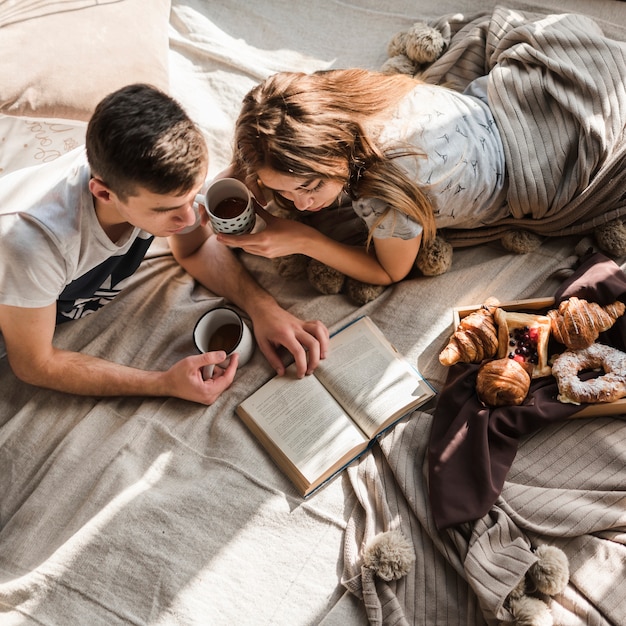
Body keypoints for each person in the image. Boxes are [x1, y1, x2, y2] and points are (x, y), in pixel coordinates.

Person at [0, 83, 329, 406]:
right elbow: (35, 364)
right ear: (103, 193)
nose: (188, 220)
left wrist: (263, 309)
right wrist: (162, 383)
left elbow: (195, 249)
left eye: (192, 197)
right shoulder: (34, 244)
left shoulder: (153, 175)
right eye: (167, 210)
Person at [217, 68, 506, 286]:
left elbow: (390, 271)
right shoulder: (336, 93)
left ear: (336, 147)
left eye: (312, 186)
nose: (302, 204)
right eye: (284, 192)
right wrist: (244, 167)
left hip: (522, 170)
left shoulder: (380, 194)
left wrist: (305, 241)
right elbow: (268, 120)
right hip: (496, 102)